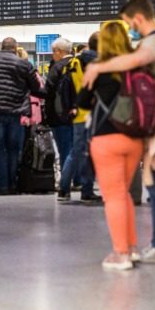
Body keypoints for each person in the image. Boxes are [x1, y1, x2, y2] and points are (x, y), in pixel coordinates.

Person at [84, 0, 155, 265]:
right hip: (152, 123)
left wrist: (99, 65)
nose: (130, 30)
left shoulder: (153, 42)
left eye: (129, 23)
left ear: (138, 18)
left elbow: (140, 58)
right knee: (153, 185)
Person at [77, 22, 144, 270]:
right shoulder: (137, 67)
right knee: (124, 193)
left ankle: (121, 253)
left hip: (106, 138)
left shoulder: (98, 68)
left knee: (113, 196)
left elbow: (82, 102)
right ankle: (133, 247)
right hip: (134, 137)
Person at [0, 38, 44, 195]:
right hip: (16, 112)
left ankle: (2, 186)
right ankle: (12, 185)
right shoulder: (24, 64)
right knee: (14, 149)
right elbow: (36, 88)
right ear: (15, 48)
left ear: (1, 47)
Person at [58, 32, 102, 203]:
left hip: (77, 114)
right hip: (94, 114)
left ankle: (63, 189)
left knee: (75, 153)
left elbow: (65, 87)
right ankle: (87, 190)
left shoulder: (74, 61)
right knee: (90, 155)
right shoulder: (100, 63)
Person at [45, 38, 75, 172]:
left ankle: (66, 180)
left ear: (60, 52)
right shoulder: (78, 64)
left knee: (64, 149)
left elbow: (48, 90)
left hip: (59, 114)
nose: (52, 54)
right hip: (78, 114)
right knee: (75, 148)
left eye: (53, 51)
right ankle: (78, 179)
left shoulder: (57, 67)